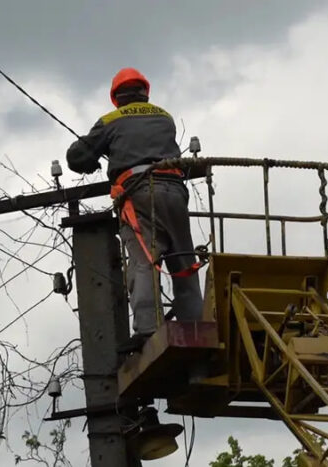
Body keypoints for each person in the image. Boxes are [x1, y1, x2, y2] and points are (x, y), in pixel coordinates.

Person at [65, 67, 202, 354]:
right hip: (175, 191)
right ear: (145, 92)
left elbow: (76, 157)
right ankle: (195, 327)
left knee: (144, 261)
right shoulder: (164, 117)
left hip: (139, 193)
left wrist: (93, 160)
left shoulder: (110, 120)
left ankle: (148, 329)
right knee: (183, 262)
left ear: (116, 97)